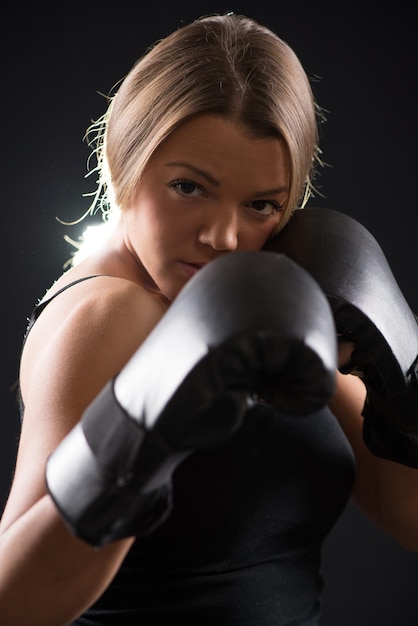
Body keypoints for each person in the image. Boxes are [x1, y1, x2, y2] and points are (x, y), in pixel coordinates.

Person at [1, 12, 418, 626]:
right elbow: (13, 602)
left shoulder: (269, 293)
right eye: (189, 187)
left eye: (260, 205)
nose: (224, 236)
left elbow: (405, 516)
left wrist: (406, 383)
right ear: (125, 164)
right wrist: (138, 435)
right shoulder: (105, 315)